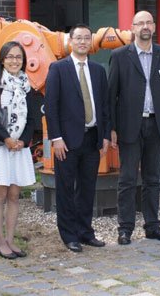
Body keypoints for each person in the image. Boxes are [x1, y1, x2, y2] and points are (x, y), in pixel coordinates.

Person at [109, 10, 160, 245]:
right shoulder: (120, 56)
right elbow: (111, 95)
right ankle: (125, 228)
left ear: (154, 27)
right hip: (130, 126)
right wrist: (112, 128)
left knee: (153, 179)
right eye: (140, 23)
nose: (145, 26)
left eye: (149, 22)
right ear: (133, 28)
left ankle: (152, 227)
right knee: (127, 179)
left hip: (157, 125)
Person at [45, 24, 111, 253]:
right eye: (78, 38)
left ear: (91, 42)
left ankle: (85, 232)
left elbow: (105, 106)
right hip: (66, 141)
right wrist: (56, 138)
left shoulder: (98, 70)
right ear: (70, 41)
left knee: (87, 188)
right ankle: (69, 235)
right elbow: (51, 106)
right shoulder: (58, 69)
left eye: (86, 38)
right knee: (66, 188)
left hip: (92, 138)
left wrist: (105, 135)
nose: (83, 42)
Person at [0, 41, 37, 259]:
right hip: (0, 147)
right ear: (2, 60)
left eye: (18, 57)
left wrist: (23, 141)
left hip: (19, 148)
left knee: (14, 195)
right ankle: (0, 241)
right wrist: (7, 139)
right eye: (10, 57)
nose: (14, 61)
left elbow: (32, 118)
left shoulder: (27, 85)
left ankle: (11, 240)